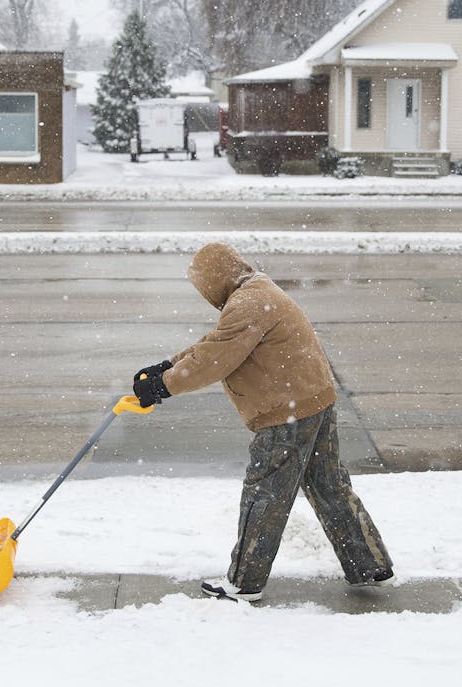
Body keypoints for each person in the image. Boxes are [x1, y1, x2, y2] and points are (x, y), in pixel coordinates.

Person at [133, 242, 392, 603]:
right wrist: (167, 365)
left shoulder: (248, 303)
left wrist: (164, 385)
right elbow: (218, 341)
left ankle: (245, 581)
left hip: (287, 413)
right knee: (329, 485)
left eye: (203, 284)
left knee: (265, 494)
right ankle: (369, 563)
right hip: (314, 400)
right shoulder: (256, 291)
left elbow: (216, 357)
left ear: (216, 279)